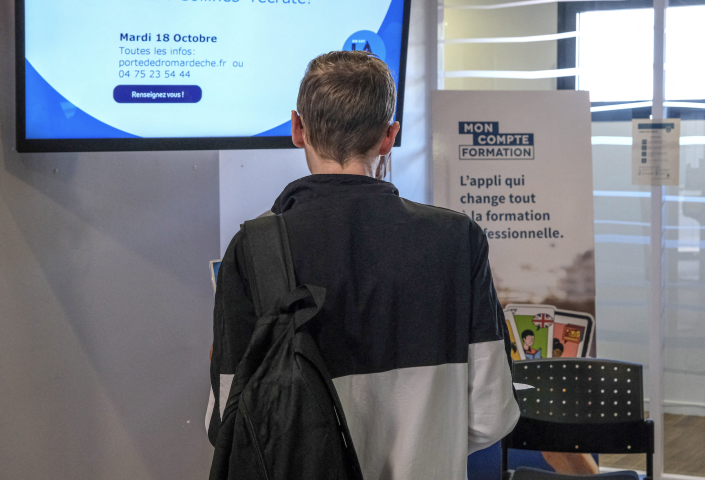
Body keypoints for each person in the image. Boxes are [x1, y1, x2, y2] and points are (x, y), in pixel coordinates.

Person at [207, 51, 519, 480]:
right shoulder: (457, 240)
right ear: (389, 136)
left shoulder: (253, 250)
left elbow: (228, 420)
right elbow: (490, 416)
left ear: (298, 129)